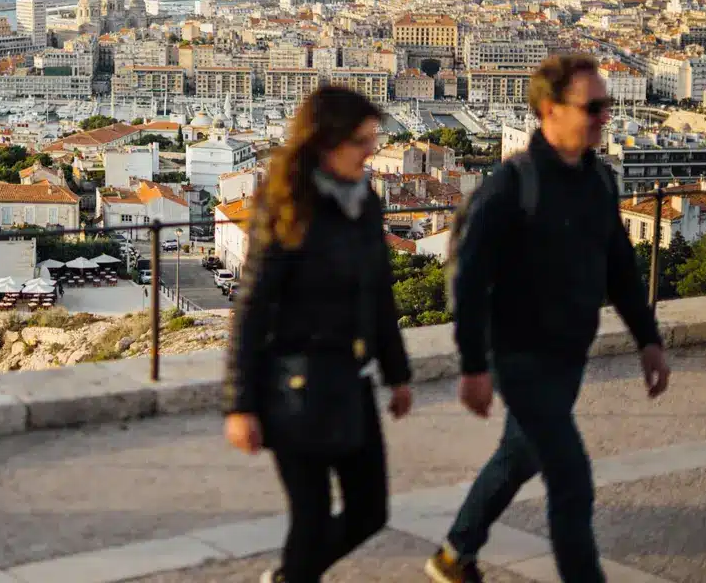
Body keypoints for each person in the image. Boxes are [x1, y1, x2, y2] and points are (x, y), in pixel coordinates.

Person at [425, 54, 670, 583]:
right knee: (571, 481)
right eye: (595, 106)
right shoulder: (512, 185)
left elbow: (620, 267)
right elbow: (468, 280)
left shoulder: (600, 180)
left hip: (567, 353)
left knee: (519, 454)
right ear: (549, 110)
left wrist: (648, 340)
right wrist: (474, 365)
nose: (607, 116)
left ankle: (453, 554)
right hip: (518, 355)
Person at [223, 86, 414, 583]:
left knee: (371, 512)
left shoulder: (364, 203)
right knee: (309, 520)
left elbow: (378, 292)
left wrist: (397, 374)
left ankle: (289, 578)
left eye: (373, 139)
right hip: (295, 385)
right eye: (361, 141)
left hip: (352, 379)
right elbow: (251, 308)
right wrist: (240, 405)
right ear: (326, 142)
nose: (372, 151)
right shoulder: (287, 206)